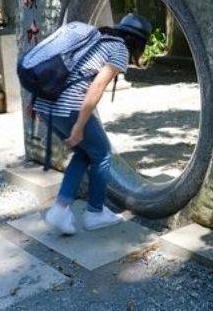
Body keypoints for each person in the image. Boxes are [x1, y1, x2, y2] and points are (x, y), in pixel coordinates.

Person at [35, 13, 152, 234]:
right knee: (103, 153)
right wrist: (79, 125)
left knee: (85, 152)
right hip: (68, 106)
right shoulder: (119, 50)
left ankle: (60, 210)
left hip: (45, 103)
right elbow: (96, 87)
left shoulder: (98, 39)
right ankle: (95, 213)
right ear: (138, 42)